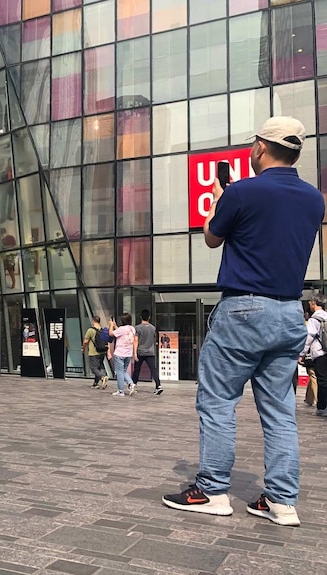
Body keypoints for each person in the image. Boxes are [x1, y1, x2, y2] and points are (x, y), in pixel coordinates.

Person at [162, 117, 323, 527]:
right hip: (290, 311)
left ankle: (213, 490)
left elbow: (212, 237)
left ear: (260, 147)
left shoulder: (242, 192)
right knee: (280, 411)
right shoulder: (315, 199)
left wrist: (220, 198)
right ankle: (282, 502)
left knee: (218, 402)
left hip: (245, 308)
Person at [133, 309, 162, 395]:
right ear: (149, 317)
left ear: (140, 317)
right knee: (153, 370)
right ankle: (158, 385)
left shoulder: (137, 328)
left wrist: (134, 353)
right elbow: (154, 340)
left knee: (137, 370)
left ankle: (134, 385)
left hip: (140, 351)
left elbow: (136, 341)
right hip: (150, 352)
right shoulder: (153, 328)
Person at [108, 314, 137, 397]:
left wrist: (111, 325)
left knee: (119, 372)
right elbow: (121, 333)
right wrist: (115, 326)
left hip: (120, 353)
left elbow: (111, 334)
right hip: (128, 354)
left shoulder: (121, 329)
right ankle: (131, 384)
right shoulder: (132, 329)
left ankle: (121, 391)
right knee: (123, 371)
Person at [81, 316, 108, 390]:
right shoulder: (103, 330)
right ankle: (95, 384)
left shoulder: (90, 330)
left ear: (93, 321)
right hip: (102, 351)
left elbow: (86, 341)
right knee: (98, 367)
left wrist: (83, 348)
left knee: (93, 368)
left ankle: (103, 377)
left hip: (94, 352)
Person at [303, 309, 319, 407]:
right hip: (317, 353)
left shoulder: (309, 323)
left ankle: (313, 399)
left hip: (313, 353)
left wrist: (302, 353)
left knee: (313, 375)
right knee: (313, 375)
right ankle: (313, 399)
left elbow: (308, 339)